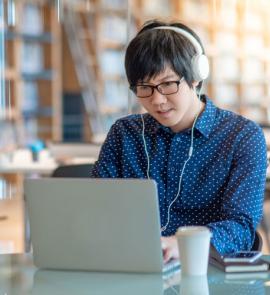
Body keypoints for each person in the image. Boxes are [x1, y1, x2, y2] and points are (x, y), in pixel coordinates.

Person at [91, 20, 268, 263]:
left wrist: (180, 245)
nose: (157, 100)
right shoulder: (125, 133)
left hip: (207, 270)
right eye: (145, 87)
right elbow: (96, 209)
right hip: (131, 266)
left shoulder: (242, 137)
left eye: (167, 84)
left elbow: (241, 228)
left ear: (196, 77)